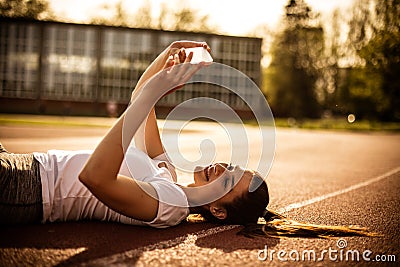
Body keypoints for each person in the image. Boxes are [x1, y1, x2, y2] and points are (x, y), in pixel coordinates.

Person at [0, 41, 376, 238]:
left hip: (23, 189)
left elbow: (95, 178)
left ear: (217, 210)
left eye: (227, 181)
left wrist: (154, 93)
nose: (222, 167)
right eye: (232, 166)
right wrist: (168, 57)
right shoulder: (167, 176)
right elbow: (141, 98)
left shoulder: (171, 207)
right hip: (24, 166)